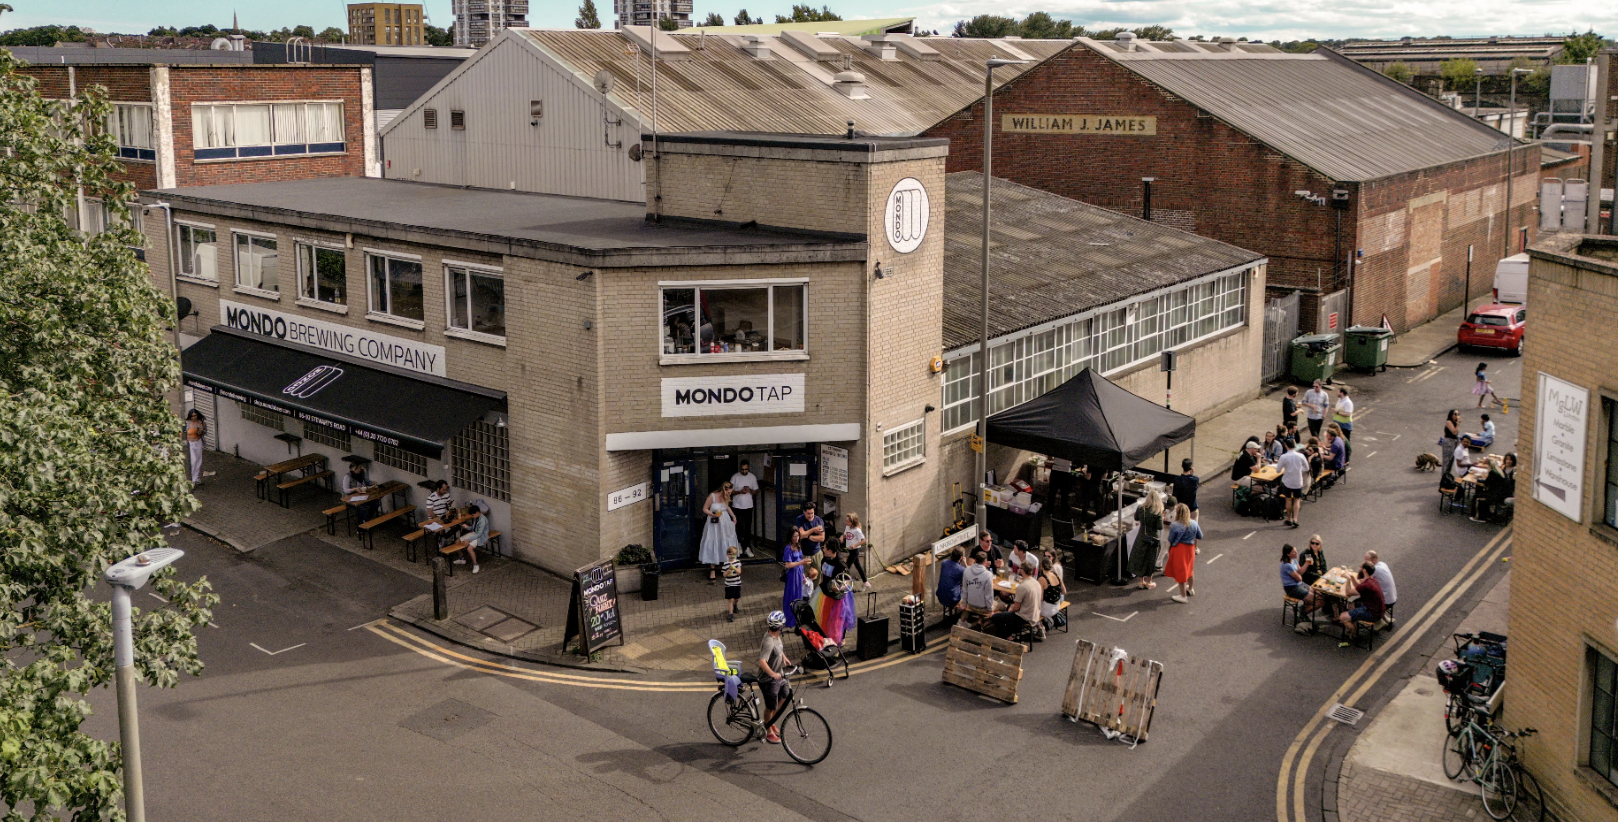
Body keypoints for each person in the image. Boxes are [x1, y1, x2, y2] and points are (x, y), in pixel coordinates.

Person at [757, 610, 795, 745]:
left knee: (785, 696)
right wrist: (772, 674)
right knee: (770, 707)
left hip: (779, 676)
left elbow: (779, 648)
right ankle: (768, 730)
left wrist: (784, 657)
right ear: (779, 626)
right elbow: (762, 661)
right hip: (768, 680)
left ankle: (771, 721)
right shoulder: (769, 642)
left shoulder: (776, 636)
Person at [1336, 562, 1386, 648]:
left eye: (1360, 567)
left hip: (1372, 613)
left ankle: (1354, 634)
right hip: (1376, 609)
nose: (1359, 568)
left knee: (1342, 616)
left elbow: (1348, 592)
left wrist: (1347, 579)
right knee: (1351, 605)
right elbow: (1359, 586)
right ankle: (1353, 621)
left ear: (1364, 570)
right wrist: (1352, 577)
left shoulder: (1367, 585)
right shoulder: (1372, 580)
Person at [699, 482, 738, 583]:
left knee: (725, 543)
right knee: (713, 543)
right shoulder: (712, 496)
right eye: (729, 492)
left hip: (724, 523)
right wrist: (713, 514)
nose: (730, 494)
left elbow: (727, 507)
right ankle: (712, 571)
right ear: (724, 490)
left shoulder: (726, 498)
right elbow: (705, 509)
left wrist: (733, 516)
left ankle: (726, 567)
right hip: (714, 524)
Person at [1163, 504, 1202, 603]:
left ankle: (1183, 596)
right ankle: (1190, 589)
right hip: (1190, 549)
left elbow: (1171, 539)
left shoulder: (1175, 525)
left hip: (1180, 550)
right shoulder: (1193, 523)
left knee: (1181, 572)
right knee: (1189, 570)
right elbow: (1200, 535)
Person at [1131, 489, 1164, 589]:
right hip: (1153, 538)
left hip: (1142, 536)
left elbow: (1136, 518)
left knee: (1142, 558)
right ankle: (1149, 582)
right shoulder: (1157, 512)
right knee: (1151, 560)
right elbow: (1160, 527)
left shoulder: (1141, 508)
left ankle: (1141, 581)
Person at [729, 461, 760, 558]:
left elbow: (756, 491)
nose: (744, 471)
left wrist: (750, 490)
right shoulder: (735, 477)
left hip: (748, 506)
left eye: (745, 469)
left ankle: (746, 547)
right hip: (737, 505)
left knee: (747, 527)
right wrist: (739, 491)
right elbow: (729, 491)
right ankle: (738, 545)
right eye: (742, 469)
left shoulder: (752, 477)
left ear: (748, 468)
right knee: (738, 526)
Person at [1280, 544, 1321, 617]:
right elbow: (1299, 578)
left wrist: (1307, 563)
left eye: (1296, 551)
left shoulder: (1294, 560)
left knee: (1319, 594)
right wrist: (1299, 575)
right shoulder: (1287, 565)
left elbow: (1300, 572)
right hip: (1292, 588)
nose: (1296, 553)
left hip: (1299, 584)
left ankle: (1299, 609)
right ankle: (1302, 614)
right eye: (1294, 552)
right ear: (1288, 554)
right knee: (1318, 601)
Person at [779, 536, 810, 629]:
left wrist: (803, 576)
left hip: (799, 574)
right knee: (790, 597)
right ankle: (789, 621)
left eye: (797, 536)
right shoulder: (788, 548)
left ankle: (797, 620)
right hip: (792, 576)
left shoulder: (799, 546)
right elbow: (788, 565)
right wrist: (801, 562)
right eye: (794, 536)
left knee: (798, 597)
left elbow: (801, 561)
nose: (796, 538)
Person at [447, 501, 487, 574]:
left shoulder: (482, 520)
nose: (472, 517)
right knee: (457, 541)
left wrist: (469, 540)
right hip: (474, 533)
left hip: (481, 536)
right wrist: (467, 527)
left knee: (469, 548)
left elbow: (479, 533)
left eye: (472, 515)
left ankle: (475, 564)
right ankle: (461, 558)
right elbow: (473, 528)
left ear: (477, 512)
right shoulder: (477, 518)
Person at [1476, 454, 1517, 522]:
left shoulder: (1513, 471)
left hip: (1502, 493)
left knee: (1480, 494)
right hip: (1501, 491)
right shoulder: (1502, 469)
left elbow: (1487, 483)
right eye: (1507, 459)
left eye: (1510, 460)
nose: (1508, 461)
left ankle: (1480, 515)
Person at [1277, 442, 1309, 528]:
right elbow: (1306, 468)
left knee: (1288, 499)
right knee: (1297, 499)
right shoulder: (1301, 456)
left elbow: (1278, 470)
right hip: (1297, 481)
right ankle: (1295, 518)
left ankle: (1289, 518)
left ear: (1286, 446)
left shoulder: (1283, 457)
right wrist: (1298, 469)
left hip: (1287, 481)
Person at [960, 550, 996, 625]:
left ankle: (965, 621)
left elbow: (965, 589)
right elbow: (988, 595)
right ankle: (986, 623)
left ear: (975, 560)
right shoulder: (988, 575)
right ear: (985, 561)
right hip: (983, 608)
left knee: (977, 595)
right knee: (1002, 606)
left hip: (970, 604)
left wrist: (964, 603)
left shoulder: (967, 570)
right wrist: (990, 610)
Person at [1363, 550, 1397, 627]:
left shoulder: (1375, 570)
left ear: (1374, 560)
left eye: (1367, 561)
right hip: (1392, 598)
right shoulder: (1382, 564)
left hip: (1385, 601)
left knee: (1358, 602)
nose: (1365, 563)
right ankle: (1383, 617)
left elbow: (1363, 581)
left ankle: (1377, 620)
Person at [183, 409, 214, 486]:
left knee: (198, 460)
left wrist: (201, 432)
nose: (194, 417)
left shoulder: (201, 423)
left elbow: (204, 432)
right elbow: (182, 433)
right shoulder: (187, 423)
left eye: (195, 415)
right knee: (193, 460)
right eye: (193, 416)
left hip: (198, 441)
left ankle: (196, 478)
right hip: (190, 443)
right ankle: (191, 479)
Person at [841, 513, 871, 590]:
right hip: (850, 550)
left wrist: (855, 545)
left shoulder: (857, 530)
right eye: (846, 521)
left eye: (848, 521)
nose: (846, 522)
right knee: (858, 566)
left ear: (852, 522)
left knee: (846, 566)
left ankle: (844, 583)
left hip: (855, 551)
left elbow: (863, 540)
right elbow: (845, 535)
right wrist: (841, 537)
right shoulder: (848, 527)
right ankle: (866, 582)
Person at [794, 501, 826, 570]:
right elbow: (801, 535)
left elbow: (822, 538)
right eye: (808, 513)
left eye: (812, 513)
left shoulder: (818, 521)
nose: (811, 515)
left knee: (818, 574)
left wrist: (808, 536)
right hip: (804, 553)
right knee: (804, 577)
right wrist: (813, 530)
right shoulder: (799, 520)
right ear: (804, 512)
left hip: (816, 553)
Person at [936, 547, 965, 623]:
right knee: (968, 592)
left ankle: (949, 610)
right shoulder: (961, 569)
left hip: (940, 596)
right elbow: (970, 577)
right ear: (961, 557)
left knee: (951, 585)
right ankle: (963, 620)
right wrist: (965, 564)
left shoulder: (944, 563)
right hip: (953, 600)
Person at [1038, 554, 1065, 630]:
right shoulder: (1056, 575)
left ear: (1041, 566)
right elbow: (1064, 591)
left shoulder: (1042, 579)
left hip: (1047, 610)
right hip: (1056, 607)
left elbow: (1041, 598)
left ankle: (1039, 627)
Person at [722, 546, 743, 622]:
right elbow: (724, 575)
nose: (732, 556)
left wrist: (734, 568)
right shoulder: (725, 564)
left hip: (737, 584)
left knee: (736, 598)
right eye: (730, 554)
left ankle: (735, 604)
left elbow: (739, 572)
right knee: (729, 599)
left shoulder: (738, 562)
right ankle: (730, 614)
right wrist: (728, 570)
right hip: (729, 585)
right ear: (727, 554)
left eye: (734, 554)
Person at [1440, 410, 1463, 476]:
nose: (1457, 416)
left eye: (1458, 414)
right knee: (1446, 461)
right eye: (1455, 414)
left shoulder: (1455, 423)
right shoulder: (1449, 422)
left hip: (1454, 442)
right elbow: (1454, 432)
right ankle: (1444, 476)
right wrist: (1458, 424)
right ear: (1451, 415)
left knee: (1451, 461)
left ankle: (1447, 475)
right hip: (1448, 442)